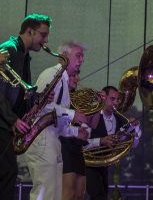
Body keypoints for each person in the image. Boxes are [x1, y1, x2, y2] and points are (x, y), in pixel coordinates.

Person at [24, 41, 89, 200]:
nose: (81, 60)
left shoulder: (63, 80)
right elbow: (41, 106)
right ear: (64, 56)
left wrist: (75, 131)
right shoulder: (51, 74)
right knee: (45, 193)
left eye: (82, 57)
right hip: (42, 138)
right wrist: (72, 114)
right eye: (78, 55)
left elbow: (55, 120)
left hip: (52, 139)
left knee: (53, 194)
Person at [0, 14, 52, 200]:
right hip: (3, 123)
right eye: (43, 34)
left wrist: (40, 98)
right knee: (7, 174)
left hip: (6, 125)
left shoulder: (24, 55)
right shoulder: (9, 50)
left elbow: (22, 94)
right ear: (30, 31)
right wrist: (13, 120)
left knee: (7, 175)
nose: (46, 40)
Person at [85, 86, 142, 200]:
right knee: (97, 195)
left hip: (106, 166)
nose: (116, 103)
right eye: (112, 99)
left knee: (103, 195)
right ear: (103, 98)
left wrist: (135, 128)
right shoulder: (92, 116)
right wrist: (101, 141)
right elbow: (82, 143)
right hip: (89, 165)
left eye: (117, 100)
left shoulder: (120, 119)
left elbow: (134, 144)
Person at [60, 70, 90, 200]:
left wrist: (85, 130)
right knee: (68, 194)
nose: (76, 79)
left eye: (77, 76)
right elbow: (57, 122)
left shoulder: (79, 99)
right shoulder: (61, 96)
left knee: (79, 194)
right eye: (72, 76)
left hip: (78, 149)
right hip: (65, 147)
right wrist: (76, 131)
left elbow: (89, 124)